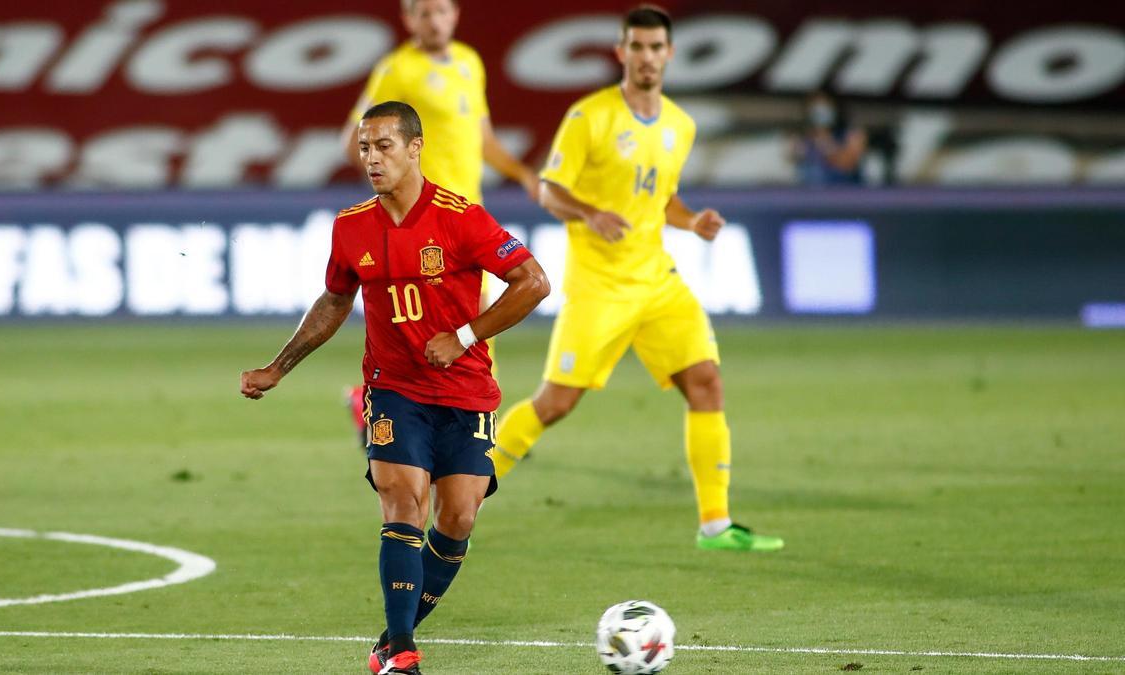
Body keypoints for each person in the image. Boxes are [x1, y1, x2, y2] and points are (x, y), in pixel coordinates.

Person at [241, 101, 549, 674]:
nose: (372, 158)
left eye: (384, 146)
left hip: (464, 390)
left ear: (415, 148)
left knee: (458, 518)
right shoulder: (351, 225)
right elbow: (335, 301)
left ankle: (389, 638)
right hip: (393, 388)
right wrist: (279, 367)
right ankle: (403, 651)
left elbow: (533, 282)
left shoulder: (462, 218)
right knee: (404, 502)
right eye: (364, 147)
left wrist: (465, 334)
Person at [490, 5, 783, 553]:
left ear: (668, 54)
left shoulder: (680, 125)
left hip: (657, 281)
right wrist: (589, 213)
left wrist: (691, 220)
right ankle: (467, 491)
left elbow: (661, 197)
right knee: (554, 404)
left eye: (656, 48)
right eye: (637, 47)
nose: (647, 57)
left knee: (705, 381)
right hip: (598, 285)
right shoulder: (589, 116)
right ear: (621, 53)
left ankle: (716, 525)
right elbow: (550, 189)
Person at [339, 0, 540, 443]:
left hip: (468, 215)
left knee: (473, 317)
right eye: (424, 13)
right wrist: (390, 199)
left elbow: (483, 139)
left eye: (442, 11)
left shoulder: (469, 62)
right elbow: (351, 138)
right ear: (408, 20)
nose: (435, 20)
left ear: (456, 14)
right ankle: (478, 430)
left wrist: (521, 172)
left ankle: (379, 403)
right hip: (427, 218)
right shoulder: (396, 70)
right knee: (464, 320)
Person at [792, 90, 868, 186]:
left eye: (825, 106)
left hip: (846, 194)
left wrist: (825, 141)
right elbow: (792, 162)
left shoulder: (852, 133)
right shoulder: (803, 138)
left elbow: (848, 164)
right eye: (815, 107)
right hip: (812, 196)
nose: (821, 112)